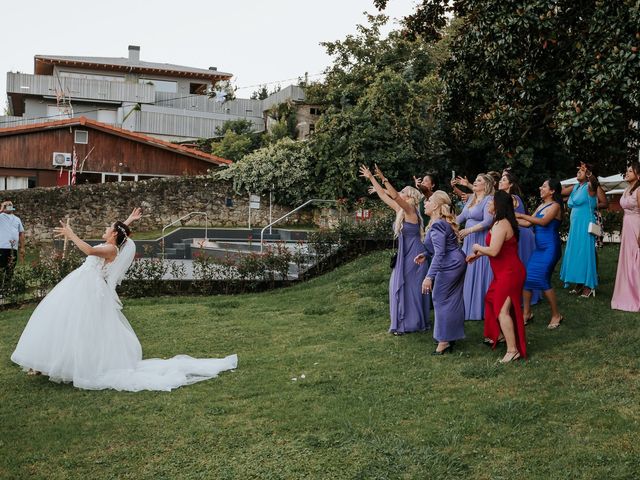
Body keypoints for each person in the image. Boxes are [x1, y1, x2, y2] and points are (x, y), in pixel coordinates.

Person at [11, 209, 237, 391]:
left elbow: (89, 250)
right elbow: (122, 235)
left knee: (76, 325)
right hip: (81, 286)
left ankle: (64, 363)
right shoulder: (112, 244)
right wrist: (128, 220)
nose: (105, 228)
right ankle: (47, 362)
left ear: (113, 235)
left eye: (108, 228)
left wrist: (71, 234)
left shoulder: (109, 249)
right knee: (64, 322)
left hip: (86, 289)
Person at [360, 164, 429, 335]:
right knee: (397, 284)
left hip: (415, 253)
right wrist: (371, 178)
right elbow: (384, 195)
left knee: (410, 287)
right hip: (405, 252)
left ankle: (412, 323)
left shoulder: (410, 209)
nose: (400, 193)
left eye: (404, 192)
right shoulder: (400, 210)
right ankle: (402, 321)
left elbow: (394, 195)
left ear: (410, 196)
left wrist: (384, 179)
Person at [467, 190, 526, 363]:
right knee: (491, 298)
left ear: (498, 205)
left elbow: (493, 250)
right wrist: (478, 255)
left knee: (502, 310)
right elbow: (496, 248)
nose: (489, 203)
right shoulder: (498, 222)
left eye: (491, 201)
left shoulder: (502, 224)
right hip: (502, 273)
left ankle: (512, 350)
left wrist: (477, 247)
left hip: (510, 273)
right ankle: (499, 335)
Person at [415, 191, 466, 355]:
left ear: (436, 205)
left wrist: (429, 277)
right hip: (456, 261)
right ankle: (450, 337)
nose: (426, 203)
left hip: (450, 264)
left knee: (440, 298)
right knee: (451, 300)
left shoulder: (437, 224)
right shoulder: (439, 222)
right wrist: (425, 254)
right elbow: (439, 249)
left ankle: (443, 341)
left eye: (428, 200)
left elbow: (440, 253)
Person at [516, 179, 565, 329]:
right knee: (527, 279)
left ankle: (556, 315)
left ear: (552, 191)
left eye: (544, 186)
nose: (540, 188)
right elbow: (528, 224)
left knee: (543, 279)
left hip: (550, 248)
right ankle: (527, 313)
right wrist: (512, 217)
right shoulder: (541, 205)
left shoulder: (555, 206)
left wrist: (521, 215)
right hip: (539, 249)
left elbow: (543, 222)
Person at [559, 162, 608, 297]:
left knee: (585, 252)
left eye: (581, 171)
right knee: (576, 252)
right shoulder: (576, 187)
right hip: (575, 225)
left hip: (586, 223)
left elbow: (605, 202)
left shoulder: (591, 186)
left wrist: (591, 204)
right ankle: (579, 283)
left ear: (588, 174)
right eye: (578, 170)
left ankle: (588, 285)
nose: (578, 172)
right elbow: (560, 191)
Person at [455, 174, 495, 321]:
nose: (475, 182)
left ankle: (479, 309)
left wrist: (469, 230)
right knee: (466, 271)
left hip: (480, 239)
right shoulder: (472, 199)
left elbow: (488, 221)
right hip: (468, 240)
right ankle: (466, 307)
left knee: (477, 272)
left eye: (479, 180)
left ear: (486, 185)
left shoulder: (489, 200)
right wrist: (449, 223)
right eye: (476, 179)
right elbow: (462, 217)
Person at [498, 172, 540, 308]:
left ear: (510, 184)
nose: (500, 182)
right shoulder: (506, 197)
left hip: (522, 235)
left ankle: (524, 297)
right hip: (518, 233)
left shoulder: (512, 198)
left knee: (522, 265)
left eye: (503, 180)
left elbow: (518, 219)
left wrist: (510, 220)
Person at [611, 163, 640, 312]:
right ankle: (626, 292)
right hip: (627, 226)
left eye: (630, 171)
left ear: (638, 175)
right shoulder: (627, 189)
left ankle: (637, 294)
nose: (627, 173)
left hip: (636, 226)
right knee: (627, 259)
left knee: (636, 260)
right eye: (626, 170)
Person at [0, 200, 25, 281]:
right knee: (1, 268)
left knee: (11, 268)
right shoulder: (1, 216)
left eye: (10, 205)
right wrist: (1, 210)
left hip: (13, 248)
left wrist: (22, 247)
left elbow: (21, 233)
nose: (9, 206)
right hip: (2, 247)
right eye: (7, 205)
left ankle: (8, 287)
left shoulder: (17, 219)